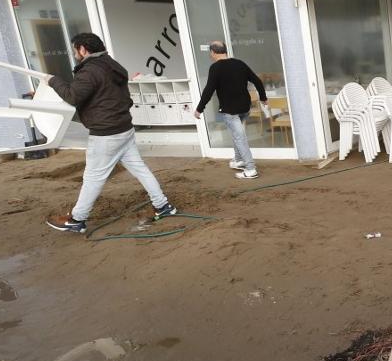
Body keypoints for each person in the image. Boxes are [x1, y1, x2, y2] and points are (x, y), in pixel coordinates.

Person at [45, 33, 176, 233]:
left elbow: (72, 96)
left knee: (93, 177)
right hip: (124, 128)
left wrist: (53, 81)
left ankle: (77, 219)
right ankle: (163, 205)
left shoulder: (89, 71)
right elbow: (120, 96)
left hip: (106, 134)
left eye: (75, 50)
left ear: (83, 49)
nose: (75, 54)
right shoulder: (114, 65)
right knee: (140, 168)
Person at [194, 40, 269, 180]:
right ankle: (238, 160)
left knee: (240, 137)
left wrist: (199, 109)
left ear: (213, 52)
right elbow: (257, 81)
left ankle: (251, 169)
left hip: (230, 110)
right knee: (237, 133)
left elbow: (208, 90)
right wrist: (263, 98)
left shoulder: (215, 68)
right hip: (244, 108)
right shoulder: (239, 63)